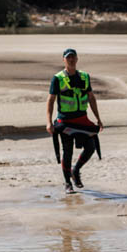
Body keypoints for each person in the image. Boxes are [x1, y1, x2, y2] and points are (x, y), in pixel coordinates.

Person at [46, 48, 103, 193]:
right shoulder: (57, 78)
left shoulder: (84, 77)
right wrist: (48, 122)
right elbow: (50, 101)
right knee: (67, 152)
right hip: (65, 121)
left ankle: (75, 170)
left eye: (73, 57)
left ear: (77, 59)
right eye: (68, 57)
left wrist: (98, 118)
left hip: (82, 119)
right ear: (64, 60)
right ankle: (67, 183)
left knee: (91, 147)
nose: (71, 59)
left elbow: (91, 98)